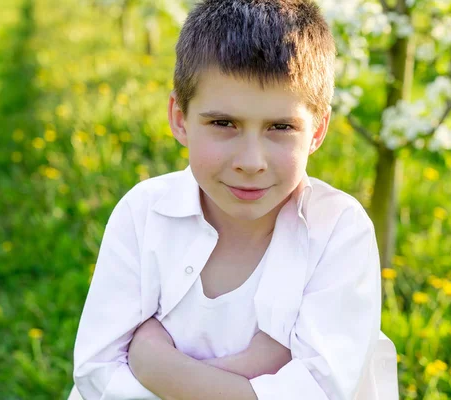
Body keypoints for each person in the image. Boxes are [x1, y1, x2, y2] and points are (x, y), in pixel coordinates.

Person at [68, 0, 399, 399]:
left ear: (317, 130)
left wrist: (154, 363)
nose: (250, 162)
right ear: (179, 118)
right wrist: (258, 369)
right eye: (223, 123)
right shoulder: (145, 213)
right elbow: (95, 372)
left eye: (280, 127)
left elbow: (318, 391)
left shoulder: (338, 231)